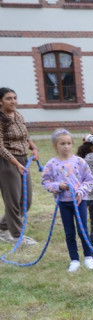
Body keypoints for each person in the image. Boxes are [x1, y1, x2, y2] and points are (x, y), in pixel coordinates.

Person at [41, 130, 93, 272]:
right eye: (62, 144)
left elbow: (89, 180)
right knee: (69, 231)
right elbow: (45, 182)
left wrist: (81, 191)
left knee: (82, 229)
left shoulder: (79, 161)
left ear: (72, 144)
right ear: (55, 145)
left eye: (69, 143)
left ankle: (88, 257)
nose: (66, 146)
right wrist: (58, 186)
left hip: (79, 201)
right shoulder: (51, 164)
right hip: (63, 203)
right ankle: (74, 260)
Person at [0, 87, 40, 245]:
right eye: (9, 98)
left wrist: (34, 148)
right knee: (13, 200)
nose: (13, 101)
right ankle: (17, 236)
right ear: (1, 101)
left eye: (15, 98)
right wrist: (15, 163)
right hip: (7, 162)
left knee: (26, 200)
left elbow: (26, 136)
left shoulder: (18, 115)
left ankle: (2, 227)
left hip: (23, 160)